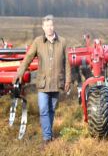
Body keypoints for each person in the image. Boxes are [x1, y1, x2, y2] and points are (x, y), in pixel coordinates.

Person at [14, 15, 71, 145]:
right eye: (47, 26)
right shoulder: (38, 42)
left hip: (57, 82)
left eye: (51, 25)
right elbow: (28, 57)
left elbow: (67, 63)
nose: (50, 28)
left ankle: (48, 133)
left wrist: (68, 80)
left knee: (51, 109)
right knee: (44, 108)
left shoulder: (62, 42)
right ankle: (47, 138)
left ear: (54, 26)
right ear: (43, 27)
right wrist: (19, 73)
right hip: (43, 82)